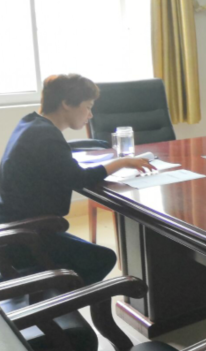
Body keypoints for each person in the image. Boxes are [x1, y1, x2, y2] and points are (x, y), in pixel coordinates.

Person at [0, 74, 155, 284]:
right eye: (88, 107)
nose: (90, 115)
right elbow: (80, 178)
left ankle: (65, 292)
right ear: (66, 103)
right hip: (26, 239)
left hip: (14, 227)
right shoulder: (46, 136)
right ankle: (67, 297)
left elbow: (61, 166)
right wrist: (122, 162)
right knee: (103, 259)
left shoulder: (31, 123)